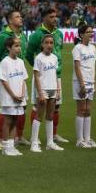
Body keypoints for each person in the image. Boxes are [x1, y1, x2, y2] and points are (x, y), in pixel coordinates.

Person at [26, 8, 67, 144]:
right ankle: (35, 138)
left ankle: (53, 136)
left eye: (55, 16)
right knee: (38, 106)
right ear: (44, 18)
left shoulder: (59, 33)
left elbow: (59, 53)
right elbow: (28, 53)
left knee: (56, 106)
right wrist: (39, 69)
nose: (54, 19)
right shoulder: (37, 34)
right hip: (42, 77)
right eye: (51, 17)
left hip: (56, 75)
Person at [0, 10, 30, 147]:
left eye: (21, 16)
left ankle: (19, 136)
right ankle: (1, 139)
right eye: (17, 16)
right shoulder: (3, 37)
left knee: (22, 106)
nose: (21, 18)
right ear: (10, 20)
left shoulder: (22, 35)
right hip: (8, 78)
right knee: (6, 110)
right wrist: (2, 76)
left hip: (19, 76)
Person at [30, 35, 62, 152]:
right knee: (39, 116)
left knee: (50, 116)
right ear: (42, 45)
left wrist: (58, 89)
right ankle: (34, 143)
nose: (49, 45)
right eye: (47, 43)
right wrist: (40, 92)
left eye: (51, 43)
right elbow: (37, 76)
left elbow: (55, 74)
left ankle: (50, 143)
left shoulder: (54, 57)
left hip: (53, 89)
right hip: (43, 90)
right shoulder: (39, 58)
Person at [0, 37, 28, 156]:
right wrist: (13, 95)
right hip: (9, 97)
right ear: (8, 48)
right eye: (15, 46)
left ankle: (11, 146)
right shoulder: (5, 62)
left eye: (19, 45)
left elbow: (23, 79)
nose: (18, 48)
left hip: (19, 96)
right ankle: (5, 147)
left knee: (15, 120)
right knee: (8, 121)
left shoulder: (20, 62)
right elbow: (4, 81)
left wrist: (21, 94)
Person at [72, 24, 96, 148]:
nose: (91, 34)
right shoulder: (78, 48)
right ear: (82, 34)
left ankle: (87, 139)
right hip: (80, 81)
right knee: (81, 109)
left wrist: (95, 83)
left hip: (91, 81)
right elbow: (77, 67)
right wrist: (82, 84)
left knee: (88, 110)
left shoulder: (93, 48)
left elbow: (93, 67)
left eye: (92, 32)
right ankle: (79, 140)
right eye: (88, 32)